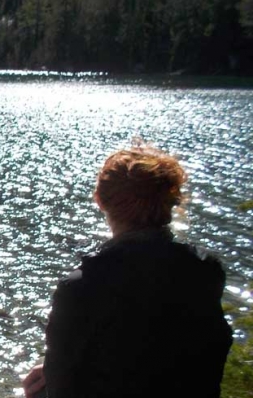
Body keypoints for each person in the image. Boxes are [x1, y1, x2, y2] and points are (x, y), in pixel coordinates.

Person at [22, 144, 233, 398]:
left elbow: (62, 389)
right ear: (171, 203)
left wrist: (48, 378)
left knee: (37, 388)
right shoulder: (205, 271)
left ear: (100, 200)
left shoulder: (83, 286)